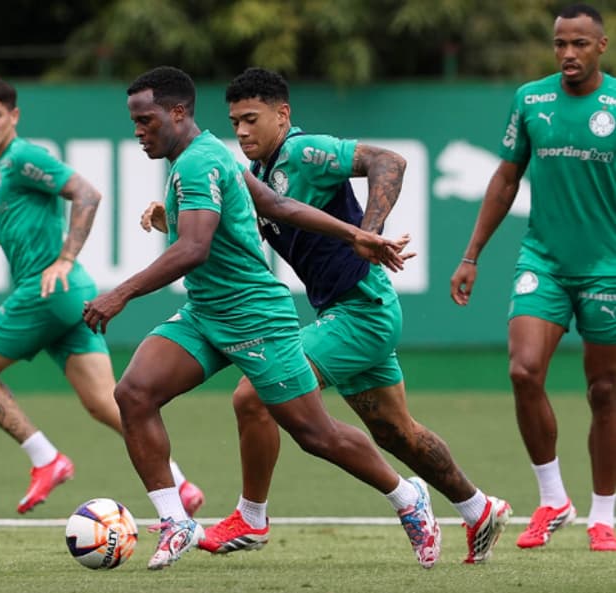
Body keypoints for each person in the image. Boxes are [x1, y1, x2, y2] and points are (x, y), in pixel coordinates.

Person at [138, 67, 509, 565]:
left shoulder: (301, 151)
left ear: (282, 115)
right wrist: (172, 215)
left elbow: (388, 160)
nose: (242, 131)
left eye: (252, 119)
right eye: (235, 122)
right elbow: (243, 215)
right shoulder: (257, 174)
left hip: (362, 308)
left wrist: (368, 236)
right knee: (397, 432)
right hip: (342, 310)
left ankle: (250, 517)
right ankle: (478, 507)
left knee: (254, 396)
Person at [83, 65, 440, 570]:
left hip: (255, 316)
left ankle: (407, 497)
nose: (139, 131)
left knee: (316, 434)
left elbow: (192, 249)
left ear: (178, 112)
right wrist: (352, 233)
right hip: (206, 314)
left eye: (146, 121)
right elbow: (275, 203)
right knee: (134, 393)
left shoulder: (196, 163)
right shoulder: (207, 156)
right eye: (135, 122)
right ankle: (176, 521)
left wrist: (119, 294)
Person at [0, 75, 203, 515]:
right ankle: (182, 486)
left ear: (13, 116)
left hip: (46, 291)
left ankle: (46, 459)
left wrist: (65, 257)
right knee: (106, 404)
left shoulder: (22, 157)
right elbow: (8, 229)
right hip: (72, 296)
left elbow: (87, 194)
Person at [451, 3, 616, 553]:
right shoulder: (530, 101)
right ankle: (552, 499)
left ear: (601, 46)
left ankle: (605, 513)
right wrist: (471, 254)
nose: (568, 54)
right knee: (524, 371)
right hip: (542, 261)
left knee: (605, 390)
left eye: (579, 44)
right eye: (560, 44)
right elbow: (504, 179)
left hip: (607, 269)